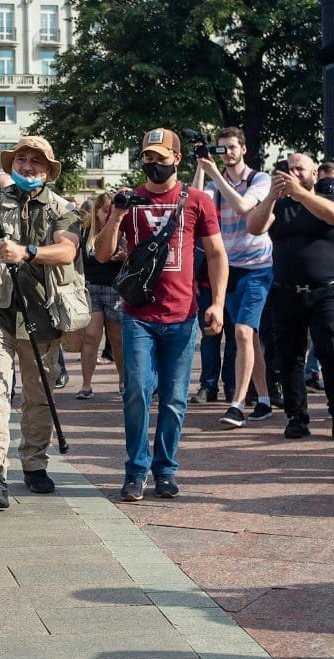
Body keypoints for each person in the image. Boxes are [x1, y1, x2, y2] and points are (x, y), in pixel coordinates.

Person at [94, 129, 227, 501]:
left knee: (174, 398)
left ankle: (165, 470)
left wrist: (216, 303)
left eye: (160, 157)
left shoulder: (197, 200)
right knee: (136, 390)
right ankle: (135, 471)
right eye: (147, 157)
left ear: (177, 159)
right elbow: (102, 254)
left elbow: (216, 254)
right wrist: (116, 217)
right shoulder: (129, 200)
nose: (153, 164)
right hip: (138, 315)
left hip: (182, 315)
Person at [0, 136, 81, 508]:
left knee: (38, 396)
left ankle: (34, 462)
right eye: (21, 159)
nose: (27, 166)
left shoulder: (64, 208)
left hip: (42, 315)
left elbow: (67, 250)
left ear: (48, 170)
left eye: (36, 161)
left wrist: (27, 252)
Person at [247, 152, 334, 439]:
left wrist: (301, 194)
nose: (294, 173)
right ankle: (297, 416)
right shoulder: (279, 206)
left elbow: (331, 215)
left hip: (325, 293)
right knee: (289, 358)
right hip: (286, 292)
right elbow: (255, 226)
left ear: (312, 174)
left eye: (301, 169)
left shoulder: (323, 200)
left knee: (329, 352)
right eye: (290, 168)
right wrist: (272, 197)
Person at [192, 128, 274, 427]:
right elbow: (197, 201)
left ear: (244, 149)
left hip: (257, 268)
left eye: (231, 147)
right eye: (221, 148)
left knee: (240, 332)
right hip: (228, 268)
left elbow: (242, 206)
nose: (226, 153)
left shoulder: (259, 179)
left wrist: (214, 172)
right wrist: (201, 167)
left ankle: (237, 404)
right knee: (248, 336)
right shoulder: (217, 181)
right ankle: (264, 399)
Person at [78, 192, 125, 398]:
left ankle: (124, 381)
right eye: (106, 210)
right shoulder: (86, 231)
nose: (109, 214)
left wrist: (125, 256)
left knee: (117, 339)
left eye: (111, 210)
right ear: (96, 210)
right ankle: (86, 385)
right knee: (90, 337)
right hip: (91, 287)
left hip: (115, 288)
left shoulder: (120, 228)